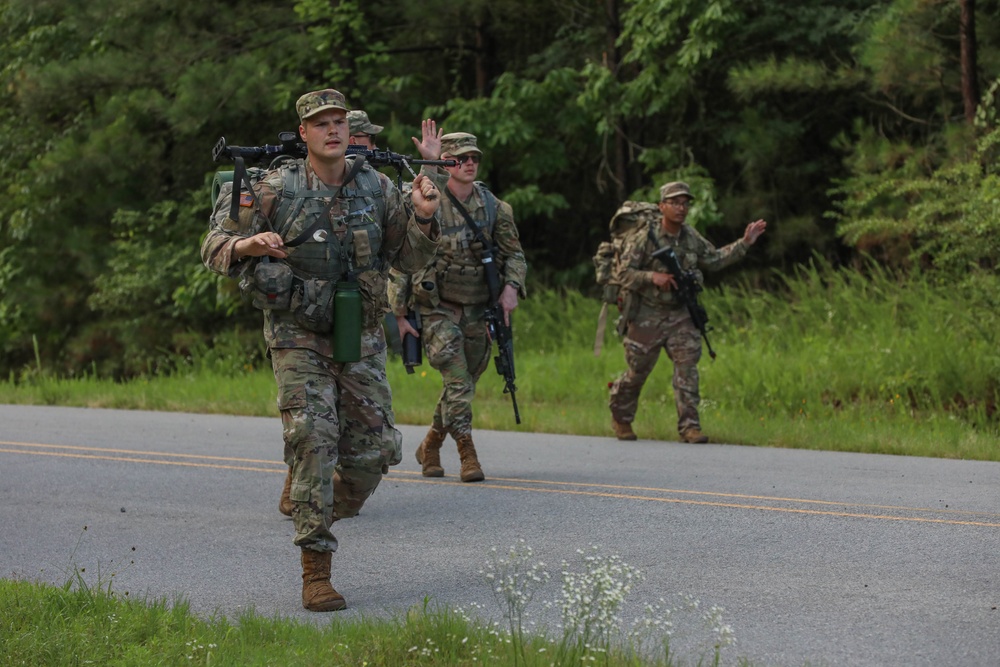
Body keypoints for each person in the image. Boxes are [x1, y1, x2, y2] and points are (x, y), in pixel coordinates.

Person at [201, 89, 441, 612]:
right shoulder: (273, 187)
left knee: (375, 454)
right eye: (320, 123)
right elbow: (214, 245)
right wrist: (248, 245)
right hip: (297, 333)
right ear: (304, 133)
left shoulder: (377, 187)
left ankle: (316, 497)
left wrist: (423, 216)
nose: (332, 130)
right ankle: (316, 569)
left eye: (338, 121)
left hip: (361, 334)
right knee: (313, 437)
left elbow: (407, 257)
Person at [387, 121, 527, 482]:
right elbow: (404, 257)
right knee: (459, 384)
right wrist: (400, 314)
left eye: (473, 158)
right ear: (446, 163)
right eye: (459, 159)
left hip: (480, 310)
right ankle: (467, 452)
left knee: (463, 383)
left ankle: (431, 443)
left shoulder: (495, 208)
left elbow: (515, 256)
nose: (468, 164)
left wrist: (512, 288)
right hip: (437, 311)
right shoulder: (429, 202)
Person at [608, 181, 767, 443]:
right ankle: (621, 417)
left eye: (685, 203)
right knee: (638, 371)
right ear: (662, 207)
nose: (681, 208)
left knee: (687, 368)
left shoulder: (691, 236)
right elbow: (622, 273)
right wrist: (652, 277)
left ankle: (690, 426)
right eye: (675, 203)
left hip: (680, 313)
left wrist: (745, 243)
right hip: (647, 313)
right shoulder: (643, 237)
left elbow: (714, 259)